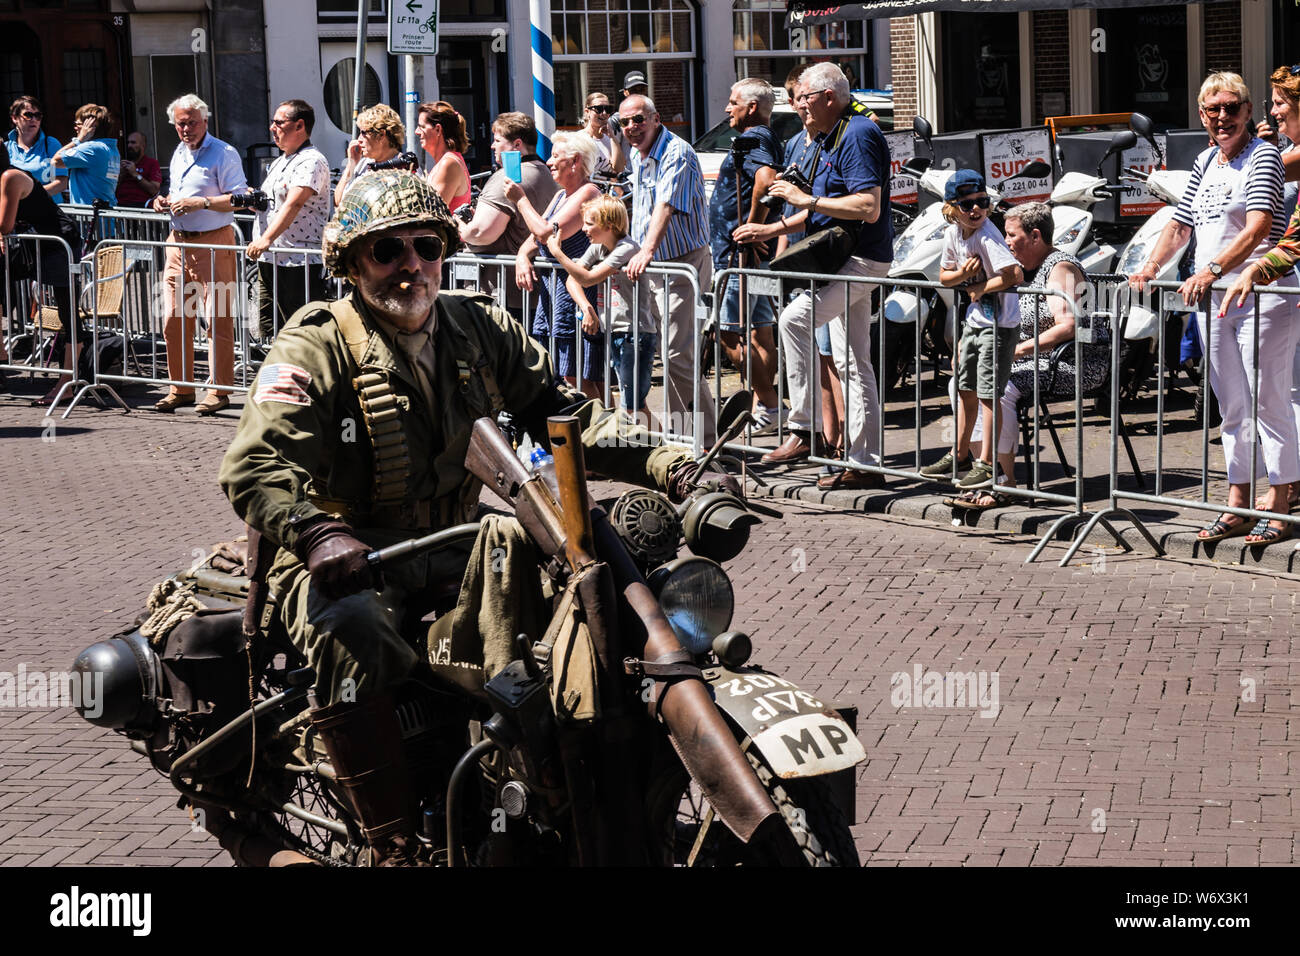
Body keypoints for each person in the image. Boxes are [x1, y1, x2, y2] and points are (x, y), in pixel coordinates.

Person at [217, 170, 703, 864]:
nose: (410, 264)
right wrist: (320, 534)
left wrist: (667, 463)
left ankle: (554, 787)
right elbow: (255, 462)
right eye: (387, 250)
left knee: (583, 611)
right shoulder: (315, 341)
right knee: (353, 634)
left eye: (425, 246)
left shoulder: (477, 327)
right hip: (348, 555)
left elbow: (564, 412)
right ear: (354, 264)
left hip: (455, 539)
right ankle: (395, 843)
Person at [1131, 72, 1291, 546]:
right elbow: (1180, 224)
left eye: (1232, 107)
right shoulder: (1203, 160)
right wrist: (1150, 266)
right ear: (1201, 115)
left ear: (1247, 111)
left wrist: (1214, 267)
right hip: (1214, 299)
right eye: (1213, 109)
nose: (1223, 117)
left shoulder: (1262, 156)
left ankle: (1280, 507)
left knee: (1269, 402)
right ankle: (1237, 502)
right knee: (1232, 406)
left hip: (1263, 293)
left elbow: (1261, 226)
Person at [734, 62, 894, 490]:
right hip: (842, 260)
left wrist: (805, 197)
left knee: (794, 319)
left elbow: (868, 207)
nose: (798, 106)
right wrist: (770, 228)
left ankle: (802, 427)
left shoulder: (857, 133)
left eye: (803, 98)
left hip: (861, 259)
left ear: (828, 97)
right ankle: (865, 462)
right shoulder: (825, 137)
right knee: (853, 362)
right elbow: (817, 207)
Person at [943, 202, 1095, 510]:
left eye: (1011, 235)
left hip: (1071, 361)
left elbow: (1068, 327)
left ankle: (1005, 483)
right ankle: (984, 472)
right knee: (962, 383)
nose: (1006, 242)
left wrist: (1013, 352)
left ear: (1036, 236)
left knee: (1000, 388)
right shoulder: (1015, 269)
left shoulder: (1060, 268)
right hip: (1029, 358)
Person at [620, 93, 717, 444]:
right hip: (653, 265)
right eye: (625, 122)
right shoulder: (636, 153)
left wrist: (645, 250)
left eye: (638, 120)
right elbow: (643, 206)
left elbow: (666, 205)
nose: (631, 127)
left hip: (682, 262)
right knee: (671, 353)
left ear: (656, 118)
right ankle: (688, 435)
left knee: (678, 352)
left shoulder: (677, 152)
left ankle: (699, 439)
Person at [926, 170, 1022, 493]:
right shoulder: (954, 234)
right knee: (964, 387)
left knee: (988, 393)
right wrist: (963, 277)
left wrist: (980, 286)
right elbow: (944, 277)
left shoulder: (986, 235)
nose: (976, 210)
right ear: (951, 208)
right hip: (975, 321)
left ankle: (987, 463)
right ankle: (960, 454)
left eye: (982, 202)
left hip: (1000, 325)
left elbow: (1013, 275)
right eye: (967, 205)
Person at [151, 93, 247, 415]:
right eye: (181, 123)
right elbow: (180, 192)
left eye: (192, 122)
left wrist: (202, 203)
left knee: (216, 319)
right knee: (174, 319)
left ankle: (219, 391)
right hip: (178, 243)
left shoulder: (224, 152)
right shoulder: (179, 151)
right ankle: (181, 389)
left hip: (214, 243)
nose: (187, 128)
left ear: (205, 121)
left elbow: (242, 198)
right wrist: (162, 200)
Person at [506, 131, 603, 398]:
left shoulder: (588, 192)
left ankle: (599, 432)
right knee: (562, 370)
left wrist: (521, 200)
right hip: (555, 293)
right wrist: (522, 256)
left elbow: (546, 233)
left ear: (575, 162)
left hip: (577, 292)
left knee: (579, 374)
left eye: (555, 156)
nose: (548, 162)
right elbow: (533, 239)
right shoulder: (562, 196)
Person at [710, 78, 783, 433]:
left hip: (737, 257)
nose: (727, 108)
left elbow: (766, 180)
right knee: (761, 333)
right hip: (746, 255)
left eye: (733, 102)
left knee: (729, 334)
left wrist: (754, 229)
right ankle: (766, 409)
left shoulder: (753, 137)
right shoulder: (764, 137)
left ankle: (769, 403)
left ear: (751, 107)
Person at [549, 195, 657, 420]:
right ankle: (647, 448)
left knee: (632, 406)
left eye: (590, 223)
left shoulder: (626, 248)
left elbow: (587, 278)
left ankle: (657, 449)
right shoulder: (599, 247)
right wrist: (586, 307)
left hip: (635, 334)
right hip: (616, 332)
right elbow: (573, 279)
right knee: (632, 404)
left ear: (609, 225)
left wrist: (558, 253)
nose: (584, 229)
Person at [244, 99, 331, 340]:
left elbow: (294, 203)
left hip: (298, 263)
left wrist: (266, 239)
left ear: (299, 126)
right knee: (267, 328)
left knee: (301, 333)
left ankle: (307, 377)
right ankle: (277, 376)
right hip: (271, 259)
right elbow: (276, 203)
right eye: (272, 122)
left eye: (279, 123)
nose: (272, 128)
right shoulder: (280, 161)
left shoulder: (311, 160)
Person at [0, 148, 82, 401]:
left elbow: (5, 225)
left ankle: (67, 383)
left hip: (58, 243)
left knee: (67, 313)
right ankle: (2, 357)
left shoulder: (10, 178)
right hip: (34, 245)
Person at [458, 112, 558, 314]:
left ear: (517, 144)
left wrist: (458, 224)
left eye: (497, 140)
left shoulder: (506, 178)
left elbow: (480, 233)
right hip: (537, 291)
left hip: (505, 293)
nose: (492, 146)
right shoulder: (547, 174)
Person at [334, 104, 405, 207]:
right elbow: (338, 202)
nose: (359, 139)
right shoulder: (363, 164)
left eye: (363, 133)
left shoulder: (404, 166)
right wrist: (351, 164)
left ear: (381, 135)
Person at [50, 104, 120, 206]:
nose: (75, 128)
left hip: (91, 218)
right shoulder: (111, 148)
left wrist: (79, 139)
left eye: (78, 124)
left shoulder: (92, 149)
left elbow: (55, 161)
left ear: (91, 127)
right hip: (105, 217)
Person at [414, 101, 471, 212]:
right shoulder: (447, 161)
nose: (417, 132)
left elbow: (431, 214)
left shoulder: (448, 164)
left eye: (422, 127)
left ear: (438, 129)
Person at [7, 97, 65, 202]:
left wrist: (31, 196)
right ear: (14, 118)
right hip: (18, 213)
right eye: (28, 115)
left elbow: (61, 183)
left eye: (37, 115)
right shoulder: (6, 148)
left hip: (49, 212)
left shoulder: (51, 144)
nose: (34, 119)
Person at [579, 92, 625, 178]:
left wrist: (612, 137)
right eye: (598, 109)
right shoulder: (578, 139)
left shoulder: (610, 140)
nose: (604, 113)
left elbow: (619, 170)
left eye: (608, 109)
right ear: (587, 111)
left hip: (607, 190)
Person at [115, 131, 162, 208]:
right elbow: (111, 189)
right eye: (128, 143)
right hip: (120, 206)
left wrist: (135, 174)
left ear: (143, 146)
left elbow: (154, 190)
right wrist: (121, 175)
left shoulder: (152, 163)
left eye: (133, 143)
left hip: (141, 208)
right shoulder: (123, 164)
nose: (129, 145)